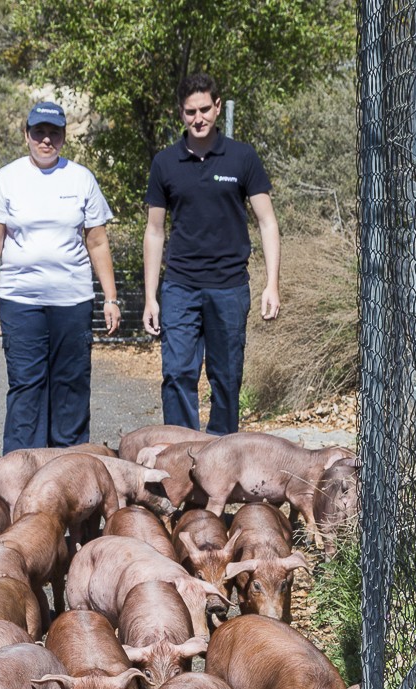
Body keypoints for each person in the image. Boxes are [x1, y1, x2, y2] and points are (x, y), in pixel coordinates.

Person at [0, 101, 121, 453]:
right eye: (38, 132)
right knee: (27, 384)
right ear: (26, 134)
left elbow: (97, 241)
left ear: (63, 137)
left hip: (72, 301)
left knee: (71, 384)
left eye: (53, 133)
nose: (45, 140)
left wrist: (110, 298)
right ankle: (22, 467)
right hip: (21, 301)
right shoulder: (6, 180)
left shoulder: (81, 178)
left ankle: (68, 468)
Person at [143, 72, 281, 436]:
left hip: (229, 287)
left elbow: (267, 222)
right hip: (180, 286)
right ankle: (178, 457)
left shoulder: (242, 158)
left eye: (205, 109)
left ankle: (221, 458)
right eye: (190, 112)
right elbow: (155, 231)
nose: (198, 118)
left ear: (218, 107)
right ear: (181, 114)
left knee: (226, 378)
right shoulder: (165, 163)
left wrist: (272, 285)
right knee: (177, 373)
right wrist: (150, 297)